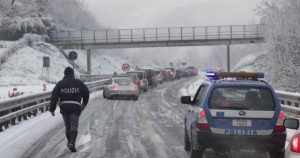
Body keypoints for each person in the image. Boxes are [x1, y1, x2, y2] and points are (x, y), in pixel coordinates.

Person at [49, 67, 89, 152]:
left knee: (67, 126)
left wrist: (52, 109)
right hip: (75, 107)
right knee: (74, 126)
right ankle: (72, 143)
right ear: (73, 74)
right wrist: (84, 103)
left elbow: (54, 96)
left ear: (65, 74)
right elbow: (86, 92)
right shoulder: (79, 83)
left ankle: (69, 141)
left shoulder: (60, 84)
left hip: (64, 107)